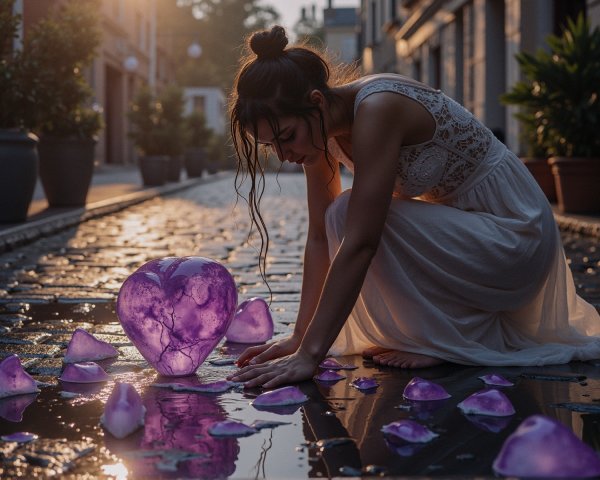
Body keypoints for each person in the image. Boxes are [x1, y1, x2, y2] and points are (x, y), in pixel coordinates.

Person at [227, 25, 600, 388]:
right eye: (270, 146)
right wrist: (298, 338)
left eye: (286, 137)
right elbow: (319, 238)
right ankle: (437, 333)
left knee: (350, 216)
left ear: (317, 102)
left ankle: (440, 337)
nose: (283, 154)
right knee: (337, 217)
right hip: (469, 237)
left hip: (515, 238)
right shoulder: (320, 132)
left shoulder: (377, 108)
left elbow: (361, 243)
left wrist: (310, 355)